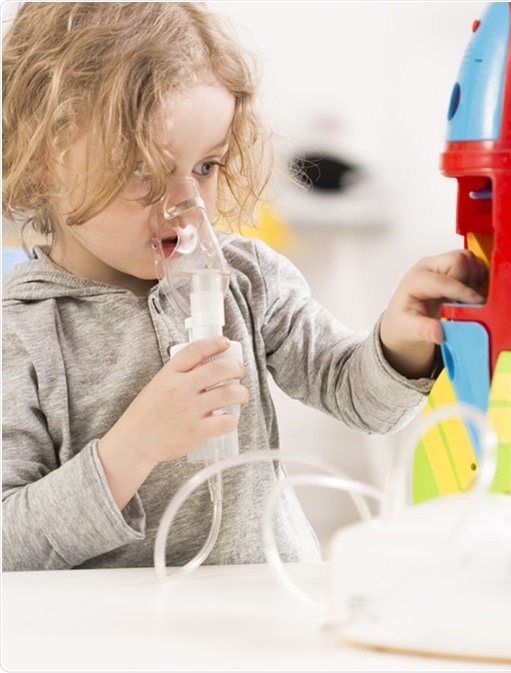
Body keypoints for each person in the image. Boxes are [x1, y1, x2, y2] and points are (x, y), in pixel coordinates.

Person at [2, 2, 486, 571]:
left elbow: (358, 396)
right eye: (142, 172)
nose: (186, 206)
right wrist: (133, 447)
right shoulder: (23, 332)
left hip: (263, 601)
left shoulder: (247, 279)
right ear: (43, 162)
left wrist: (402, 343)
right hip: (118, 635)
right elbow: (11, 543)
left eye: (205, 167)